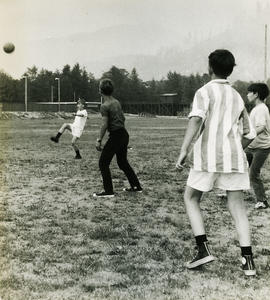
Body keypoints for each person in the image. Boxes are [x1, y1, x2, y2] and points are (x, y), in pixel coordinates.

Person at [176, 49, 257, 276]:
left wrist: (184, 150)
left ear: (210, 68)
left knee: (191, 198)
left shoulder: (204, 91)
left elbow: (195, 121)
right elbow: (249, 134)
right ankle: (248, 262)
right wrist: (234, 151)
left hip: (207, 158)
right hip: (234, 159)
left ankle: (203, 250)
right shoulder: (238, 96)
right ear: (230, 69)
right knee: (237, 208)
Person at [93, 78, 142, 198]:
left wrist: (99, 139)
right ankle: (136, 187)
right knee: (122, 162)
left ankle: (108, 191)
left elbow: (104, 124)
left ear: (100, 91)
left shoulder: (104, 106)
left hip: (116, 136)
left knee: (103, 163)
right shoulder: (116, 102)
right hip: (123, 134)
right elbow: (122, 119)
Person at [245, 83, 270, 209]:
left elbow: (261, 127)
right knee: (240, 167)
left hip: (261, 148)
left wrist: (249, 135)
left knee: (253, 174)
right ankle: (232, 191)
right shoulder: (256, 108)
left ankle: (263, 201)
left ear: (256, 94)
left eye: (249, 92)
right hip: (252, 147)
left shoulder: (261, 109)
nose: (247, 95)